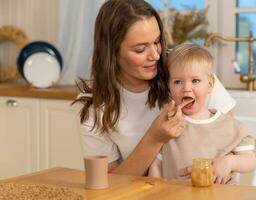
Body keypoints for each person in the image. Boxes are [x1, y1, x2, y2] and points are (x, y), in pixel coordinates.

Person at [74, 0, 237, 177]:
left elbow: (230, 143)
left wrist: (221, 165)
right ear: (112, 52)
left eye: (157, 41)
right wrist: (155, 138)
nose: (155, 55)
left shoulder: (188, 71)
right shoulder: (94, 105)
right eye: (140, 49)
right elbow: (111, 183)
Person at [148, 44, 256, 184]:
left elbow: (250, 160)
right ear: (169, 87)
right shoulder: (168, 127)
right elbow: (156, 165)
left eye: (195, 81)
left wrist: (229, 162)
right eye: (178, 82)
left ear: (210, 84)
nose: (186, 89)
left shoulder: (230, 126)